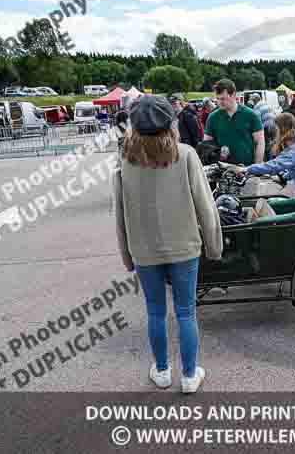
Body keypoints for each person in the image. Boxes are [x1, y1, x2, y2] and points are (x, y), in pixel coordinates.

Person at [113, 95, 223, 394]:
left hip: (144, 250)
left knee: (155, 311)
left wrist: (127, 256)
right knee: (186, 312)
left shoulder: (125, 161)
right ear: (170, 123)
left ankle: (161, 371)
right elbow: (206, 206)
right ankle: (189, 375)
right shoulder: (186, 154)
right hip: (184, 245)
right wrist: (214, 247)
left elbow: (119, 214)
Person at [237, 112, 295, 196]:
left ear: (283, 129)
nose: (276, 132)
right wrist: (284, 177)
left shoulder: (293, 151)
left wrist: (246, 169)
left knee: (270, 203)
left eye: (277, 129)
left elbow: (272, 166)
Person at [204, 79, 264, 166]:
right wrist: (216, 153)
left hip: (246, 169)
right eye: (217, 99)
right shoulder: (213, 117)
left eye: (223, 99)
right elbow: (206, 145)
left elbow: (260, 141)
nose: (220, 102)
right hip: (221, 170)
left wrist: (257, 166)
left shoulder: (250, 115)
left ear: (233, 95)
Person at [251, 93, 276, 160]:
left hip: (266, 127)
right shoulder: (266, 103)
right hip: (274, 125)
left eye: (252, 101)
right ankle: (273, 159)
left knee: (264, 145)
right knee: (272, 144)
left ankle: (267, 161)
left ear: (254, 100)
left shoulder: (257, 107)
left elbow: (257, 122)